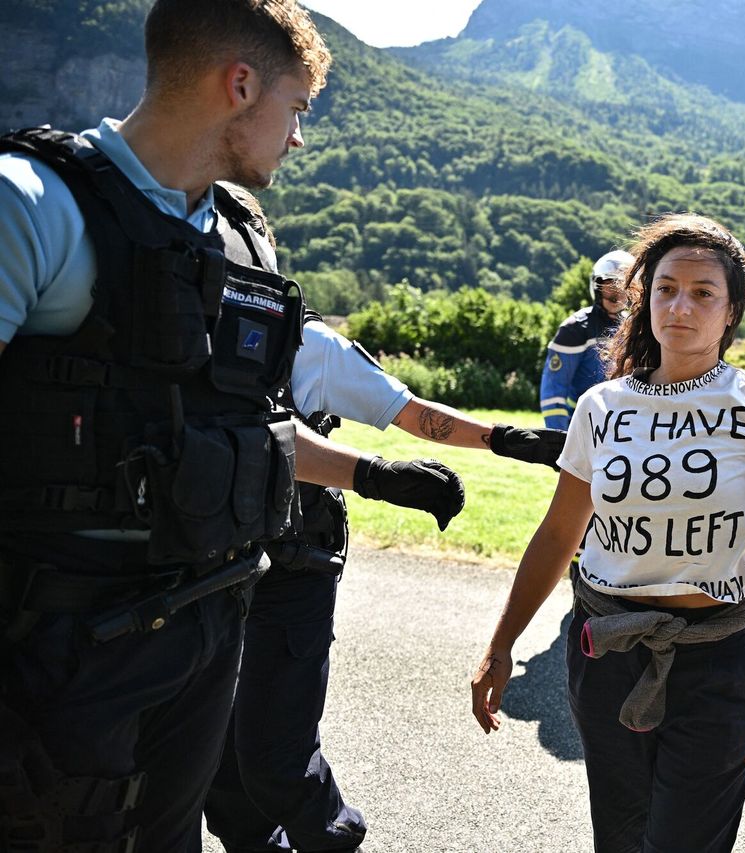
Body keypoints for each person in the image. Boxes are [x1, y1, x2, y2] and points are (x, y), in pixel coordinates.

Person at [0, 2, 462, 849]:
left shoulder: (242, 238)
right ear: (239, 85)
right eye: (296, 109)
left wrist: (369, 473)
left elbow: (234, 427)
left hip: (210, 628)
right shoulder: (30, 205)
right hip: (64, 646)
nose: (297, 138)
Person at [201, 190, 563, 852]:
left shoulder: (309, 344)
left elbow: (413, 413)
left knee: (277, 765)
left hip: (293, 566)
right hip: (206, 570)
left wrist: (508, 439)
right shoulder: (168, 333)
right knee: (218, 776)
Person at [472, 213, 745, 852]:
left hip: (717, 661)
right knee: (618, 837)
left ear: (731, 311)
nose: (681, 307)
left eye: (704, 293)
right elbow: (559, 534)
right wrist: (501, 644)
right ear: (643, 300)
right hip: (604, 655)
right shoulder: (602, 406)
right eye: (666, 288)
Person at [540, 249, 634, 429]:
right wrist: (558, 437)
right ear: (596, 286)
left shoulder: (633, 327)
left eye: (622, 287)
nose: (616, 294)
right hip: (583, 426)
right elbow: (553, 391)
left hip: (623, 428)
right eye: (609, 285)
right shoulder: (575, 328)